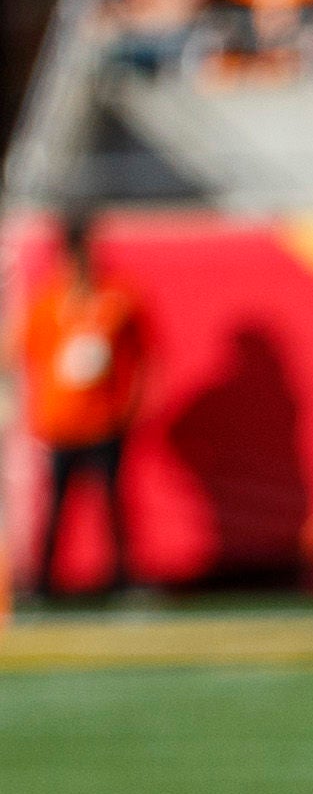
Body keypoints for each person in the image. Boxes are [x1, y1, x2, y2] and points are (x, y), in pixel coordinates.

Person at [18, 212, 148, 604]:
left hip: (104, 420)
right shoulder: (48, 302)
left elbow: (142, 357)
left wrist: (131, 406)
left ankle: (121, 581)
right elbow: (23, 356)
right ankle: (43, 585)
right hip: (60, 422)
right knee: (57, 507)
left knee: (113, 504)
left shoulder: (117, 296)